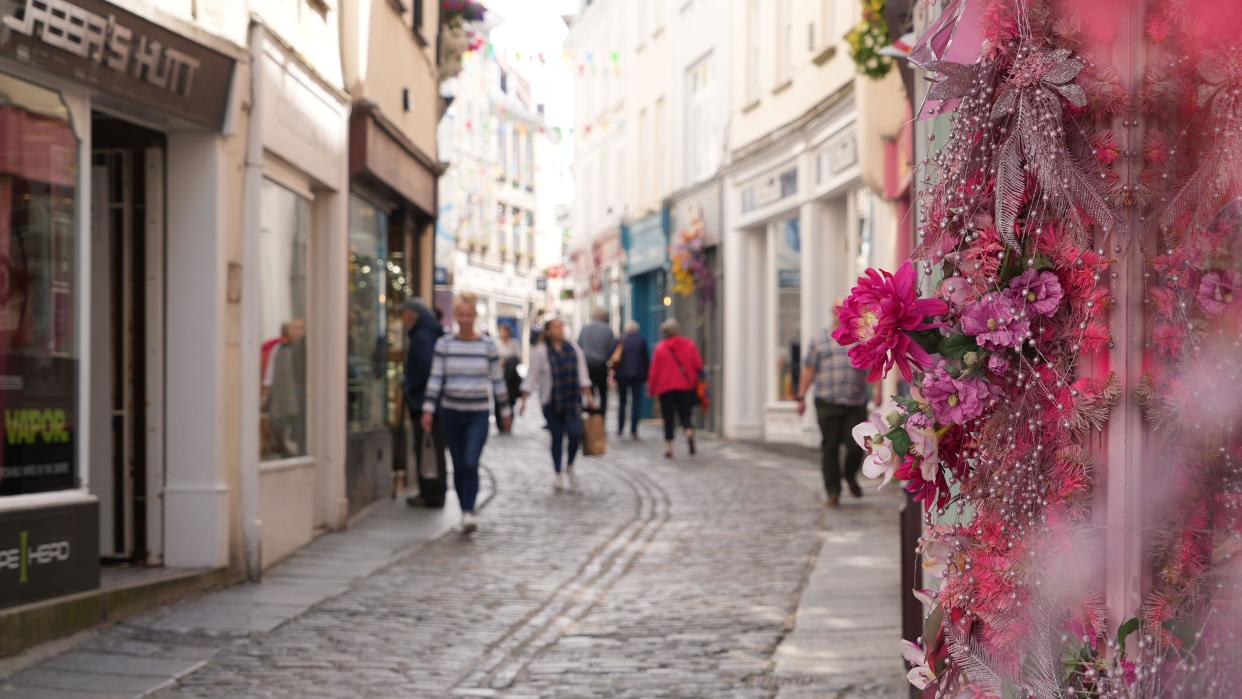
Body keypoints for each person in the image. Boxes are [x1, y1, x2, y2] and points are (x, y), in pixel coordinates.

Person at [421, 293, 512, 533]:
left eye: (468, 315)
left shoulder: (487, 346)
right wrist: (429, 408)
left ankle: (469, 510)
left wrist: (505, 410)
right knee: (459, 465)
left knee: (471, 462)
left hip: (478, 414)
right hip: (451, 412)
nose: (464, 319)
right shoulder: (445, 344)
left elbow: (498, 380)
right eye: (460, 315)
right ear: (456, 317)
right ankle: (464, 510)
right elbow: (436, 378)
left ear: (474, 316)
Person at [797, 315, 869, 507]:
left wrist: (877, 390)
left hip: (856, 401)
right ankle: (833, 492)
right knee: (830, 447)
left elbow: (871, 364)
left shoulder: (861, 336)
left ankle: (850, 475)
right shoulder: (820, 338)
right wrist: (801, 396)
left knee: (857, 445)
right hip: (827, 401)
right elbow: (809, 368)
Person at [520, 318, 593, 491]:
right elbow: (532, 376)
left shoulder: (574, 349)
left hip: (572, 400)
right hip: (551, 402)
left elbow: (583, 374)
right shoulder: (541, 351)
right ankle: (558, 472)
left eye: (561, 327)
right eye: (555, 327)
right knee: (557, 438)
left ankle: (570, 465)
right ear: (548, 331)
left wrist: (589, 397)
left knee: (575, 434)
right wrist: (524, 399)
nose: (559, 330)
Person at [402, 298, 447, 508]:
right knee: (430, 447)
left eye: (404, 315)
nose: (403, 321)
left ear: (413, 315)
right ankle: (431, 491)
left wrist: (411, 388)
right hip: (429, 401)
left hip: (425, 403)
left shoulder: (422, 336)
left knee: (428, 447)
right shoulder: (427, 333)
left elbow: (426, 369)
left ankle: (431, 492)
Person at [647, 319, 703, 459]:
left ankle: (669, 447)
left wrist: (651, 389)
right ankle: (689, 431)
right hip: (685, 386)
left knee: (668, 418)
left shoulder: (660, 348)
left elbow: (654, 372)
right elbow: (698, 365)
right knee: (685, 414)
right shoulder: (690, 345)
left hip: (666, 389)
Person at [265, 319, 307, 457]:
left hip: (300, 399)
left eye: (301, 327)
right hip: (283, 398)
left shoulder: (307, 349)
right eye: (295, 328)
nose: (297, 331)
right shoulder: (279, 349)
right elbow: (270, 375)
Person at [611, 321, 649, 439]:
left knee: (622, 402)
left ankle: (620, 429)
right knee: (636, 402)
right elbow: (645, 360)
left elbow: (614, 358)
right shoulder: (641, 341)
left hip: (622, 376)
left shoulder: (620, 340)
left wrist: (614, 375)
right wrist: (646, 376)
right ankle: (634, 429)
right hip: (637, 376)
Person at [577, 309, 616, 419]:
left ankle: (591, 417)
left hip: (587, 365)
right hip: (601, 365)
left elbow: (579, 345)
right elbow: (612, 348)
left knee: (590, 393)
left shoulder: (585, 328)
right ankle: (601, 419)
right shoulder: (608, 330)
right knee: (603, 393)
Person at [496, 324, 523, 433]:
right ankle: (500, 424)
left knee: (510, 401)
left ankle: (509, 423)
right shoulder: (496, 344)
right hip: (499, 377)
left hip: (511, 378)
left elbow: (518, 358)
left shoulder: (514, 343)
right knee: (498, 402)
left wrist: (505, 361)